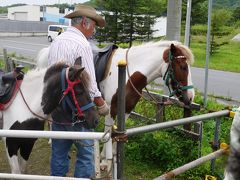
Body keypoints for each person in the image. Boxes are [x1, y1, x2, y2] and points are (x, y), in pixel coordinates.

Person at [48, 4, 109, 178]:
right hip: (78, 110)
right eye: (94, 26)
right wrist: (101, 104)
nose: (94, 30)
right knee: (85, 154)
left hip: (58, 109)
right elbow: (89, 83)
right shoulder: (82, 45)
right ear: (84, 22)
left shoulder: (57, 41)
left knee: (59, 153)